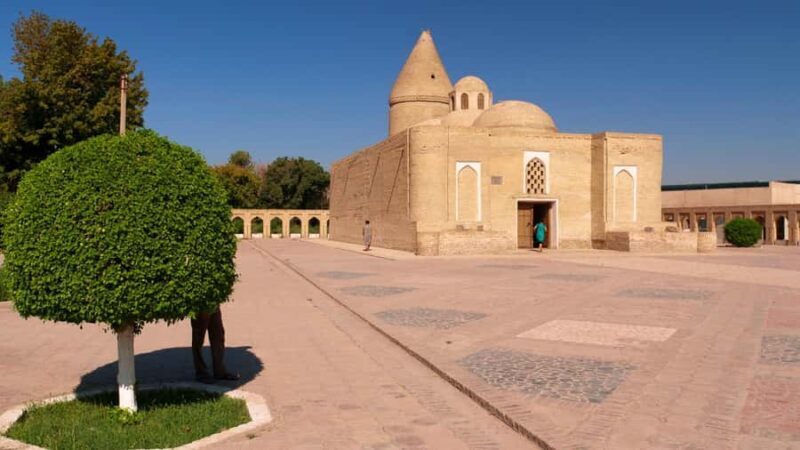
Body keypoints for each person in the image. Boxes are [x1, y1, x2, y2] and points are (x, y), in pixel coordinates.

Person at [191, 307, 239, 383]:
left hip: (214, 304)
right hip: (200, 305)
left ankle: (219, 371)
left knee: (218, 334)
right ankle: (201, 373)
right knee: (198, 338)